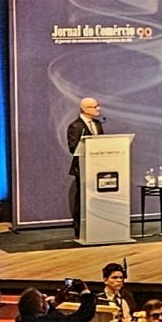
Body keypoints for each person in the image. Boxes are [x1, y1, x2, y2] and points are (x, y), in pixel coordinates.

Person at [66, 97, 104, 226]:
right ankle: (80, 227)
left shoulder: (97, 124)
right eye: (95, 106)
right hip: (82, 167)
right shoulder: (76, 126)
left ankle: (97, 224)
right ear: (85, 109)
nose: (98, 109)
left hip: (98, 166)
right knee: (82, 197)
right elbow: (73, 148)